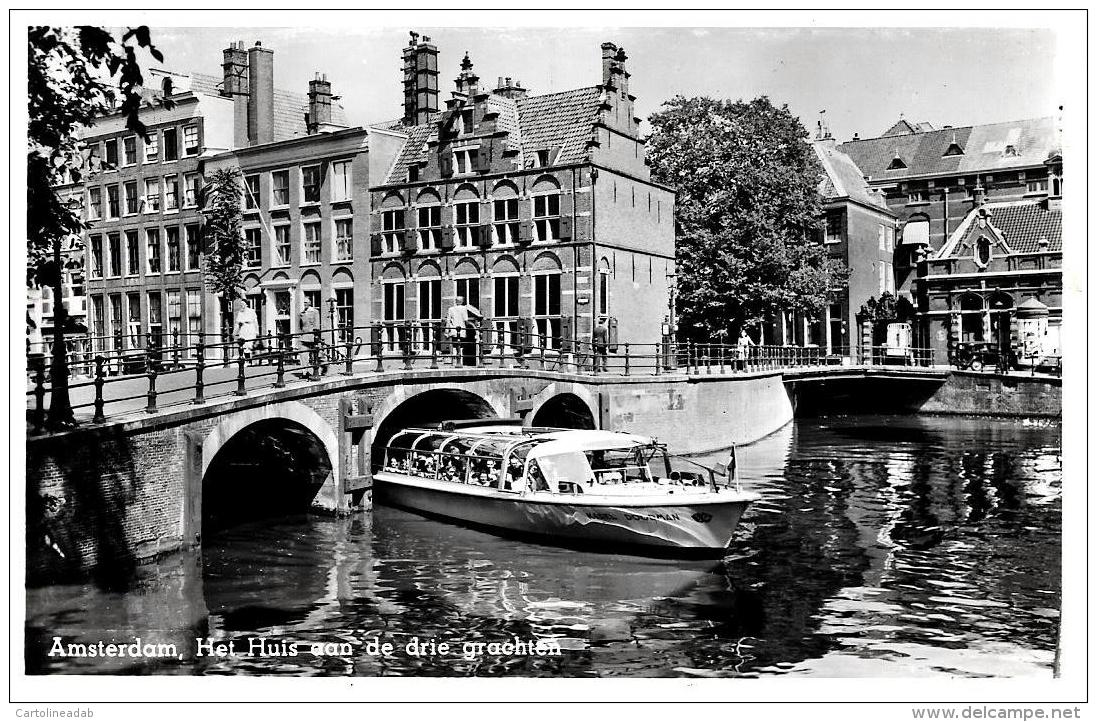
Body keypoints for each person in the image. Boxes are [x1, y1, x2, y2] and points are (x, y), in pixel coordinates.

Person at [444, 295, 482, 366]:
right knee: (461, 346)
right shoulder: (464, 308)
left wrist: (446, 332)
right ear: (462, 301)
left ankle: (455, 363)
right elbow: (466, 320)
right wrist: (471, 327)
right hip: (462, 331)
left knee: (455, 346)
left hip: (453, 331)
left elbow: (448, 321)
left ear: (456, 301)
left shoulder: (451, 309)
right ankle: (460, 362)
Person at [298, 297, 323, 376]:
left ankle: (318, 372)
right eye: (304, 302)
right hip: (304, 337)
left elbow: (317, 325)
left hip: (313, 337)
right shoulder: (302, 313)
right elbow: (300, 326)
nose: (304, 304)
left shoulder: (315, 312)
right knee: (303, 355)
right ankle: (305, 372)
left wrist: (317, 337)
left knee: (317, 355)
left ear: (310, 303)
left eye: (306, 302)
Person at [233, 299, 259, 363]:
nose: (242, 306)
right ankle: (247, 361)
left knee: (250, 344)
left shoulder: (251, 311)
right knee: (244, 345)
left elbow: (255, 322)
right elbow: (237, 323)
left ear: (246, 304)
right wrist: (234, 332)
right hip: (243, 329)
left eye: (243, 304)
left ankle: (252, 361)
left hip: (250, 328)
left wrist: (257, 331)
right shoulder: (240, 313)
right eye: (241, 304)